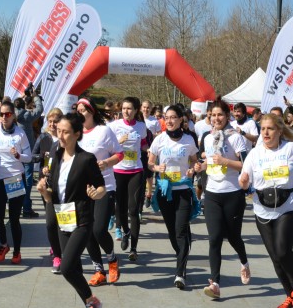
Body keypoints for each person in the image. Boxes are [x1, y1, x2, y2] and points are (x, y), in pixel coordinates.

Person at [239, 113, 293, 308]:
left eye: (270, 128)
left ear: (279, 131)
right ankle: (290, 296)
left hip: (288, 207)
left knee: (283, 251)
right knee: (275, 257)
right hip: (262, 209)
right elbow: (244, 177)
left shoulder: (291, 148)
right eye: (263, 129)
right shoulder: (255, 153)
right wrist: (244, 181)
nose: (265, 132)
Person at [36, 111, 106, 308]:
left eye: (66, 132)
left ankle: (92, 302)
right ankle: (90, 306)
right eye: (59, 131)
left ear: (77, 134)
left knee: (65, 268)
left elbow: (101, 185)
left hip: (82, 220)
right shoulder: (56, 157)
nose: (61, 136)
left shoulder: (86, 159)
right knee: (73, 268)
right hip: (62, 219)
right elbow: (51, 195)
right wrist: (43, 191)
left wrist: (98, 193)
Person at [193, 99, 251, 298]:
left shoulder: (236, 138)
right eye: (213, 115)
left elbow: (245, 165)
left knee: (233, 237)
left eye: (220, 115)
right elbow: (208, 162)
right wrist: (201, 166)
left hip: (233, 193)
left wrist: (226, 161)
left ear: (227, 116)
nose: (216, 118)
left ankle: (244, 262)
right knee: (215, 238)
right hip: (212, 194)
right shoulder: (207, 138)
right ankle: (215, 283)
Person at [148, 103, 200, 289]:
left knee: (180, 230)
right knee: (173, 233)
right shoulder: (160, 139)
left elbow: (195, 162)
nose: (169, 121)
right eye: (166, 118)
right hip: (165, 191)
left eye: (173, 118)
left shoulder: (188, 140)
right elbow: (150, 163)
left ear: (180, 120)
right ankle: (182, 256)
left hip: (183, 190)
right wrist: (156, 168)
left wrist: (193, 170)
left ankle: (180, 273)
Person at [75, 97, 121, 286]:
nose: (80, 114)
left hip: (105, 186)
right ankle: (98, 270)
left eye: (83, 110)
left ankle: (111, 259)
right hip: (82, 190)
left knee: (99, 229)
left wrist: (107, 163)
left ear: (92, 111)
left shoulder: (104, 131)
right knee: (86, 231)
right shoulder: (75, 134)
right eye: (77, 111)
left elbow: (120, 153)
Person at [0, 99, 31, 264]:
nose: (4, 117)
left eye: (8, 114)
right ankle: (4, 244)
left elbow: (28, 157)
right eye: (2, 114)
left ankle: (17, 251)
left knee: (14, 218)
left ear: (13, 116)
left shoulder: (20, 134)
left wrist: (18, 156)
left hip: (15, 178)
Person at [109, 97, 148, 262]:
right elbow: (108, 148)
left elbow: (145, 146)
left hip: (136, 170)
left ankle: (134, 248)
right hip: (118, 170)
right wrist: (119, 141)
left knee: (133, 210)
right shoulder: (113, 126)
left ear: (136, 110)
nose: (126, 111)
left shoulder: (141, 126)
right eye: (124, 108)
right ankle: (125, 231)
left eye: (130, 108)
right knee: (121, 208)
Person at [35, 108, 64, 270]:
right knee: (50, 221)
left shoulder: (65, 138)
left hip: (62, 185)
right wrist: (42, 159)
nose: (52, 124)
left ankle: (60, 247)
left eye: (55, 121)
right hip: (46, 184)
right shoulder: (43, 137)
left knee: (61, 220)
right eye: (50, 121)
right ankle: (56, 250)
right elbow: (33, 156)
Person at [15, 89, 42, 218]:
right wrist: (35, 97)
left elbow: (16, 105)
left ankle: (16, 206)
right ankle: (26, 207)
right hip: (27, 152)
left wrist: (22, 98)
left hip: (16, 153)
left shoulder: (12, 114)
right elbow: (39, 110)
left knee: (16, 180)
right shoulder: (26, 116)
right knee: (28, 180)